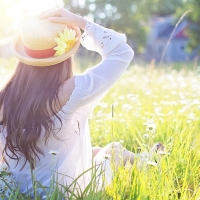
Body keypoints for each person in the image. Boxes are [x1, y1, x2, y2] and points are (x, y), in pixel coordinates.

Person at [0, 8, 135, 198]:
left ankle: (150, 158)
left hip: (19, 191)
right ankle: (154, 161)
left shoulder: (4, 97)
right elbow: (122, 53)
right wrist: (82, 22)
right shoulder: (70, 91)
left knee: (94, 151)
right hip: (67, 192)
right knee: (113, 150)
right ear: (64, 56)